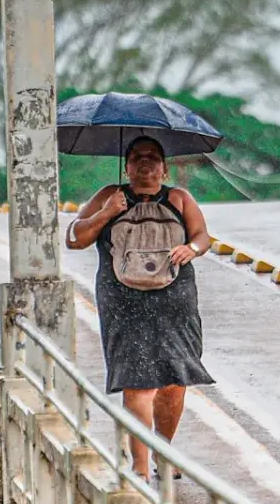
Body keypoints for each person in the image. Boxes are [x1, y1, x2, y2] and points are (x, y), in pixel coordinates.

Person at [64, 136, 214, 483]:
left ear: (164, 167)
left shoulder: (179, 198)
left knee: (174, 382)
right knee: (138, 383)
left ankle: (162, 449)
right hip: (123, 302)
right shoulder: (109, 196)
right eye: (137, 158)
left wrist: (191, 248)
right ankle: (141, 469)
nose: (145, 164)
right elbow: (75, 238)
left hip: (175, 302)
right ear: (127, 166)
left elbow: (203, 236)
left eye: (152, 158)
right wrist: (108, 212)